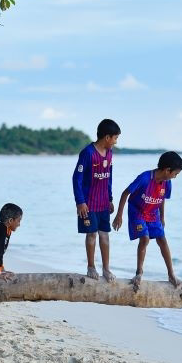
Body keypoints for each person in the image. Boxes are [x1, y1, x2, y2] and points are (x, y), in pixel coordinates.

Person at [112, 151, 182, 291]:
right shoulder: (145, 178)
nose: (175, 177)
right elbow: (126, 193)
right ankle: (139, 273)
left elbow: (162, 200)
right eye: (176, 173)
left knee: (162, 240)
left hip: (153, 213)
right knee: (144, 239)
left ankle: (171, 274)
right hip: (137, 212)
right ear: (167, 170)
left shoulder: (167, 183)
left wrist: (162, 217)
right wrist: (119, 215)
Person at [72, 118, 120, 282]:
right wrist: (80, 201)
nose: (115, 142)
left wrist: (110, 198)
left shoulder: (110, 153)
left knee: (105, 235)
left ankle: (106, 269)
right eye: (115, 138)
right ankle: (91, 266)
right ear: (107, 137)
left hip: (103, 203)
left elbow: (109, 177)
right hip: (88, 203)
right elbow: (76, 178)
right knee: (91, 234)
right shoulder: (88, 153)